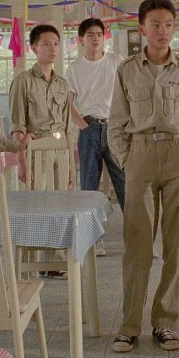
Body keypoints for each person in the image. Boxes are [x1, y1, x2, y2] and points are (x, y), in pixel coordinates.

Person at [108, 0, 179, 353]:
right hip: (140, 155)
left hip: (178, 155)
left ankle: (165, 323)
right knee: (137, 245)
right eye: (155, 24)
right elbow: (116, 123)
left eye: (168, 24)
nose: (162, 31)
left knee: (175, 245)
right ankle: (129, 325)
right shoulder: (126, 70)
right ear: (141, 29)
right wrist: (127, 160)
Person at [9, 24, 70, 279]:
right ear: (34, 47)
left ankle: (55, 261)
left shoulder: (62, 84)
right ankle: (30, 263)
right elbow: (17, 125)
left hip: (60, 149)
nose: (52, 48)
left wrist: (70, 163)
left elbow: (66, 125)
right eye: (46, 43)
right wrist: (22, 160)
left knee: (60, 205)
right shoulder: (23, 81)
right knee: (36, 205)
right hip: (35, 149)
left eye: (56, 43)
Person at [65, 18, 126, 215]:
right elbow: (68, 102)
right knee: (88, 185)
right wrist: (83, 125)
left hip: (114, 127)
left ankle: (135, 230)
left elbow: (129, 92)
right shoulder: (74, 68)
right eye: (90, 35)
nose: (96, 38)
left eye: (99, 34)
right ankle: (89, 230)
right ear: (81, 40)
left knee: (124, 181)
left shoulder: (116, 61)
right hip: (89, 128)